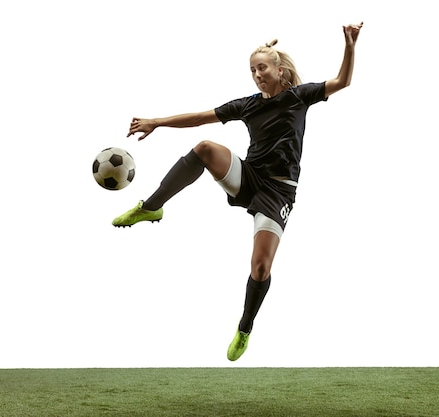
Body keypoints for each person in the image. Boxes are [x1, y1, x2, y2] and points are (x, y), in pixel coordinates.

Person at [112, 22, 363, 361]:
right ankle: (151, 207)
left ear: (280, 70)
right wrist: (157, 121)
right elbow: (200, 117)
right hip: (249, 176)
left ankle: (245, 328)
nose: (257, 74)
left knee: (260, 266)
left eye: (262, 68)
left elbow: (343, 81)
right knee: (204, 147)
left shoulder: (299, 97)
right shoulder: (248, 105)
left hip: (278, 192)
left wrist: (349, 45)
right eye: (252, 70)